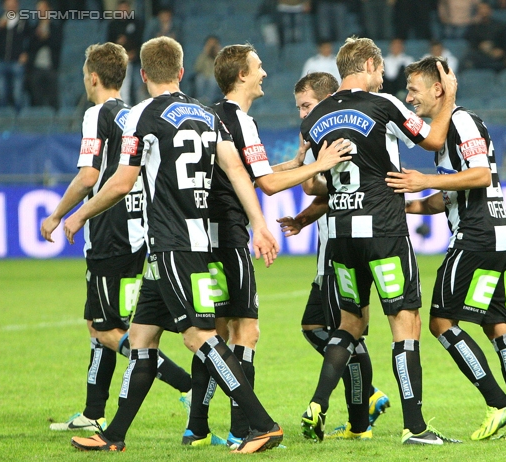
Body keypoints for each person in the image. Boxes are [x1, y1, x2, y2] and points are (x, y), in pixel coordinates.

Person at [64, 36, 283, 454]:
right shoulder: (205, 114)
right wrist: (259, 223)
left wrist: (79, 214)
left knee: (198, 337)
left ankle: (263, 424)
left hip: (170, 245)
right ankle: (113, 436)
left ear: (143, 75)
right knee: (142, 338)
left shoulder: (141, 116)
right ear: (181, 71)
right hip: (191, 243)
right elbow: (236, 169)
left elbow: (122, 182)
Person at [298, 37, 460, 446]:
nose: (384, 74)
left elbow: (315, 178)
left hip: (339, 236)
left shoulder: (314, 116)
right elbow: (434, 140)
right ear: (369, 64)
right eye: (381, 66)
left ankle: (318, 402)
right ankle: (416, 428)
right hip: (383, 231)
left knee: (349, 324)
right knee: (405, 323)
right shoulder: (383, 104)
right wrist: (450, 100)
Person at [192, 44, 351, 450]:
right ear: (241, 75)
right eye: (259, 67)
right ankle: (241, 427)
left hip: (201, 237)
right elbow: (266, 184)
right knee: (247, 332)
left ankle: (195, 427)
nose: (264, 73)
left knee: (217, 331)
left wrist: (296, 161)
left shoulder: (213, 116)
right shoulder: (241, 122)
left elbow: (248, 171)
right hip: (229, 235)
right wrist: (320, 162)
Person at [385, 55, 506, 441]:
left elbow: (480, 174)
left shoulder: (460, 121)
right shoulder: (450, 128)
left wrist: (424, 179)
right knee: (497, 324)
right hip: (495, 233)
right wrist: (411, 203)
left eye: (414, 90)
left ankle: (498, 403)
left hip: (477, 235)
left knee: (440, 321)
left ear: (438, 89)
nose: (409, 98)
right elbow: (452, 192)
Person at [40, 42, 191, 435]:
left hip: (110, 233)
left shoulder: (97, 114)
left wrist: (60, 214)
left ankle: (186, 385)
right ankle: (93, 411)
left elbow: (90, 176)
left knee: (106, 329)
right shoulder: (132, 114)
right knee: (101, 322)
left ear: (92, 77)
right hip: (138, 231)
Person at [277, 71, 391, 440]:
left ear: (326, 100)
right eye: (299, 108)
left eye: (307, 105)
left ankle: (359, 410)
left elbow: (314, 184)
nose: (302, 114)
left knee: (344, 332)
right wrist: (304, 219)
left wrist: (302, 161)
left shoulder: (331, 130)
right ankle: (366, 401)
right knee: (320, 329)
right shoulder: (322, 132)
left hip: (339, 252)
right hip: (331, 247)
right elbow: (328, 193)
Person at [27, 0, 63, 109]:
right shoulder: (33, 29)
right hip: (36, 68)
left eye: (43, 9)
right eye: (39, 9)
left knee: (53, 98)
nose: (41, 12)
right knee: (36, 98)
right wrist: (40, 38)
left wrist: (46, 37)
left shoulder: (55, 28)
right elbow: (31, 47)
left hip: (51, 67)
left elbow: (57, 44)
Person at [0, 0, 31, 109]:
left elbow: (31, 40)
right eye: (8, 4)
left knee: (17, 93)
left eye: (13, 4)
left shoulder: (23, 21)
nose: (11, 7)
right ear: (4, 6)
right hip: (1, 60)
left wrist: (26, 53)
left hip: (17, 62)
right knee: (1, 92)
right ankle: (4, 119)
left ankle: (18, 119)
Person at [461, 2, 505, 72]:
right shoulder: (474, 27)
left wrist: (500, 49)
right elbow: (469, 39)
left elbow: (504, 40)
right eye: (481, 9)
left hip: (495, 54)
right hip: (480, 54)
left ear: (490, 11)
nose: (484, 11)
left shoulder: (499, 26)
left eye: (485, 8)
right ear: (478, 11)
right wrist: (480, 46)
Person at [193, 35, 222, 105]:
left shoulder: (221, 56)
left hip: (215, 77)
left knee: (213, 79)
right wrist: (205, 53)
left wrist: (218, 54)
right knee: (199, 78)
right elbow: (197, 68)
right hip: (204, 76)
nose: (212, 47)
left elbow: (223, 69)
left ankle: (209, 101)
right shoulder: (203, 56)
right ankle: (200, 101)